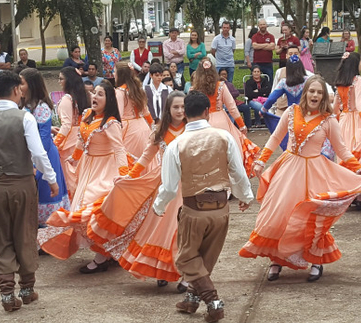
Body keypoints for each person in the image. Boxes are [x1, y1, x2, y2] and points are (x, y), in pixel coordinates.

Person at [240, 76, 361, 281]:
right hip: (288, 170)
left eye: (319, 93)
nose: (315, 95)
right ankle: (277, 259)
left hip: (314, 173)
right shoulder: (291, 112)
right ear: (305, 93)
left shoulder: (329, 120)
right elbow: (275, 137)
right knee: (279, 214)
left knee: (313, 217)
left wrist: (360, 169)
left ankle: (316, 260)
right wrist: (261, 160)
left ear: (324, 97)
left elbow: (342, 151)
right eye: (312, 91)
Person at [154, 90, 253, 322]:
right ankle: (191, 299)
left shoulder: (177, 145)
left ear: (185, 115)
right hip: (221, 210)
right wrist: (245, 197)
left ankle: (213, 301)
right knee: (205, 258)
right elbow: (238, 173)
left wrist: (159, 206)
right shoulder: (225, 137)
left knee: (187, 259)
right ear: (208, 112)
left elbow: (168, 187)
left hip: (194, 210)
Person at [0, 70, 59, 311]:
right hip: (23, 184)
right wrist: (51, 178)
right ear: (16, 90)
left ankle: (7, 293)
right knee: (25, 233)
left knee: (0, 236)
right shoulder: (24, 118)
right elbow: (38, 153)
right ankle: (27, 288)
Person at [86, 91, 188, 290]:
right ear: (168, 109)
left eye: (183, 107)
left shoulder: (192, 129)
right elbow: (145, 158)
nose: (180, 111)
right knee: (160, 230)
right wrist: (128, 176)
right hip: (164, 186)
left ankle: (185, 274)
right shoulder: (159, 131)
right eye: (176, 107)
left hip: (189, 187)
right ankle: (162, 269)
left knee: (185, 230)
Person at [38, 81, 129, 272]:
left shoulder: (111, 123)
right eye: (94, 93)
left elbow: (119, 149)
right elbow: (81, 139)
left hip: (105, 169)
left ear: (109, 99)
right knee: (82, 207)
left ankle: (102, 257)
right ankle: (107, 253)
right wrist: (74, 158)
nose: (95, 97)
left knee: (94, 209)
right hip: (88, 168)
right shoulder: (87, 114)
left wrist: (123, 175)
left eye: (101, 94)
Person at [191, 57, 260, 177]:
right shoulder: (221, 86)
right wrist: (242, 125)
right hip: (221, 120)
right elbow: (232, 107)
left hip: (203, 121)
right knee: (229, 151)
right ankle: (230, 181)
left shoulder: (194, 89)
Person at [19, 68, 71, 226]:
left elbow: (43, 140)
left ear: (32, 85)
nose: (19, 86)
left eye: (22, 83)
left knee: (45, 192)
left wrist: (36, 164)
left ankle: (48, 235)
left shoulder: (41, 107)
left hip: (44, 155)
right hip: (31, 154)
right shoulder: (24, 105)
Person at [53, 67, 90, 196]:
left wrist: (55, 144)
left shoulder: (66, 100)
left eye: (61, 79)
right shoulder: (87, 96)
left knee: (70, 178)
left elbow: (66, 125)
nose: (59, 82)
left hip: (69, 142)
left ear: (68, 81)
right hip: (84, 137)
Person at [114, 62, 154, 159]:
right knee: (144, 159)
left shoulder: (120, 92)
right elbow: (146, 112)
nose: (113, 74)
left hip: (128, 130)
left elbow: (118, 115)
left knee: (128, 160)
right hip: (143, 127)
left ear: (120, 75)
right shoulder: (137, 89)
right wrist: (153, 127)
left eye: (114, 72)